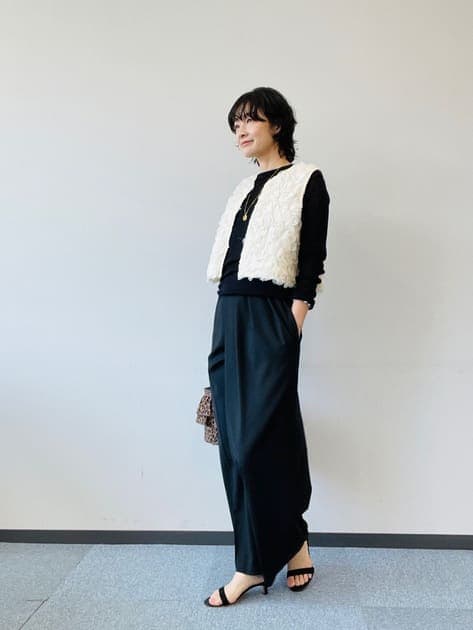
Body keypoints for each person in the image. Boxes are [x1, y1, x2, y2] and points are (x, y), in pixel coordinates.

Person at [204, 87, 330, 607]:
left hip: (271, 316)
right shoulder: (243, 188)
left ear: (276, 124)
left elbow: (311, 262)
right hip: (229, 314)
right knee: (235, 445)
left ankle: (253, 565)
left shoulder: (307, 180)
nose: (240, 130)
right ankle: (289, 546)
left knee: (262, 441)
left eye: (249, 120)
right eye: (235, 122)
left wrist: (292, 324)